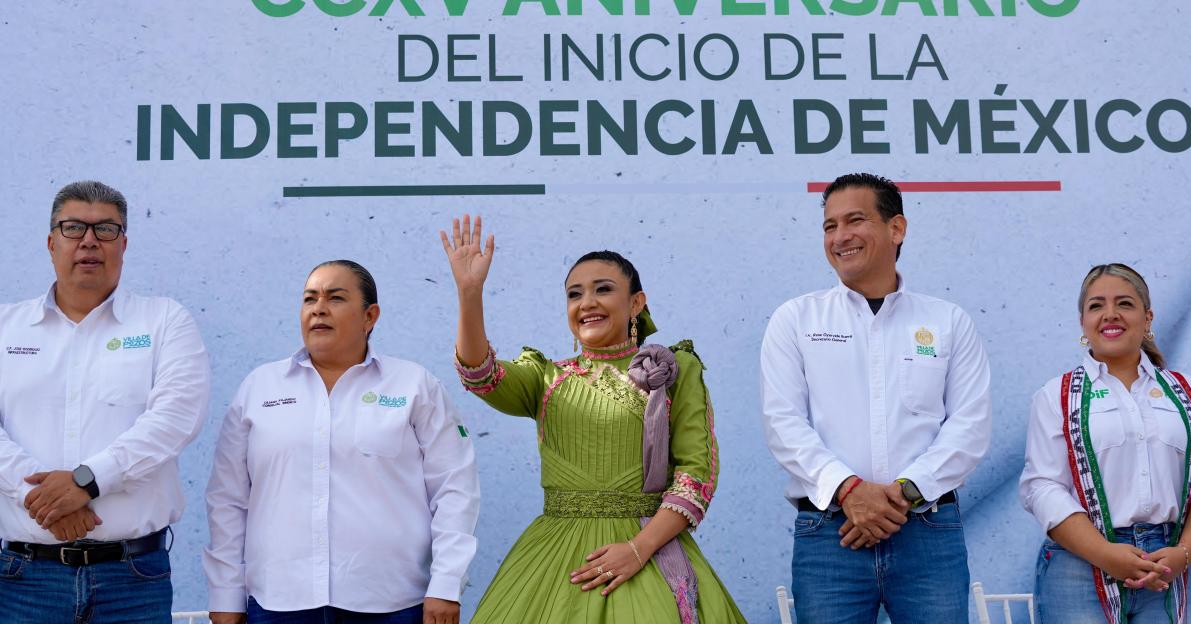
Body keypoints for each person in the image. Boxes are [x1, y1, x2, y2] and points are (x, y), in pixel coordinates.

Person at [441, 215, 745, 623]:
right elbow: (480, 374)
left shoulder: (674, 369)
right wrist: (469, 294)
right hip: (554, 561)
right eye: (574, 294)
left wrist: (638, 549)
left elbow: (696, 477)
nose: (587, 303)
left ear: (637, 303)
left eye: (604, 289)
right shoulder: (545, 376)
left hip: (647, 554)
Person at [760, 172, 992, 623]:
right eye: (829, 226)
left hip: (927, 531)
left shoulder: (947, 321)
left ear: (896, 229)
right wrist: (849, 491)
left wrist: (902, 494)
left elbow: (969, 427)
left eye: (855, 220)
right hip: (831, 535)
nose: (840, 236)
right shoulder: (795, 319)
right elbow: (783, 423)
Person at [204, 260, 479, 624]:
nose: (318, 308)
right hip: (278, 604)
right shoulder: (260, 388)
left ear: (370, 316)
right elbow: (227, 500)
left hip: (392, 604)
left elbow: (455, 487)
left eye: (335, 298)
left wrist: (446, 583)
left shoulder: (413, 386)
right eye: (309, 299)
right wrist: (226, 594)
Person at [0, 180, 212, 623]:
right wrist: (38, 498)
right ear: (51, 241)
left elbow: (174, 419)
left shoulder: (164, 321)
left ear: (124, 243)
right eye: (74, 227)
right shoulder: (6, 327)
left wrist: (87, 481)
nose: (89, 241)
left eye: (106, 229)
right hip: (25, 580)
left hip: (132, 578)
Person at [1019, 263, 1191, 623]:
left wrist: (1183, 554)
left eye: (1125, 304)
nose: (1110, 314)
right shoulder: (1055, 395)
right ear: (1083, 322)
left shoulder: (1188, 393)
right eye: (1096, 305)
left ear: (1147, 318)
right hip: (1080, 566)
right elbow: (1042, 486)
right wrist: (1105, 553)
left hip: (1174, 565)